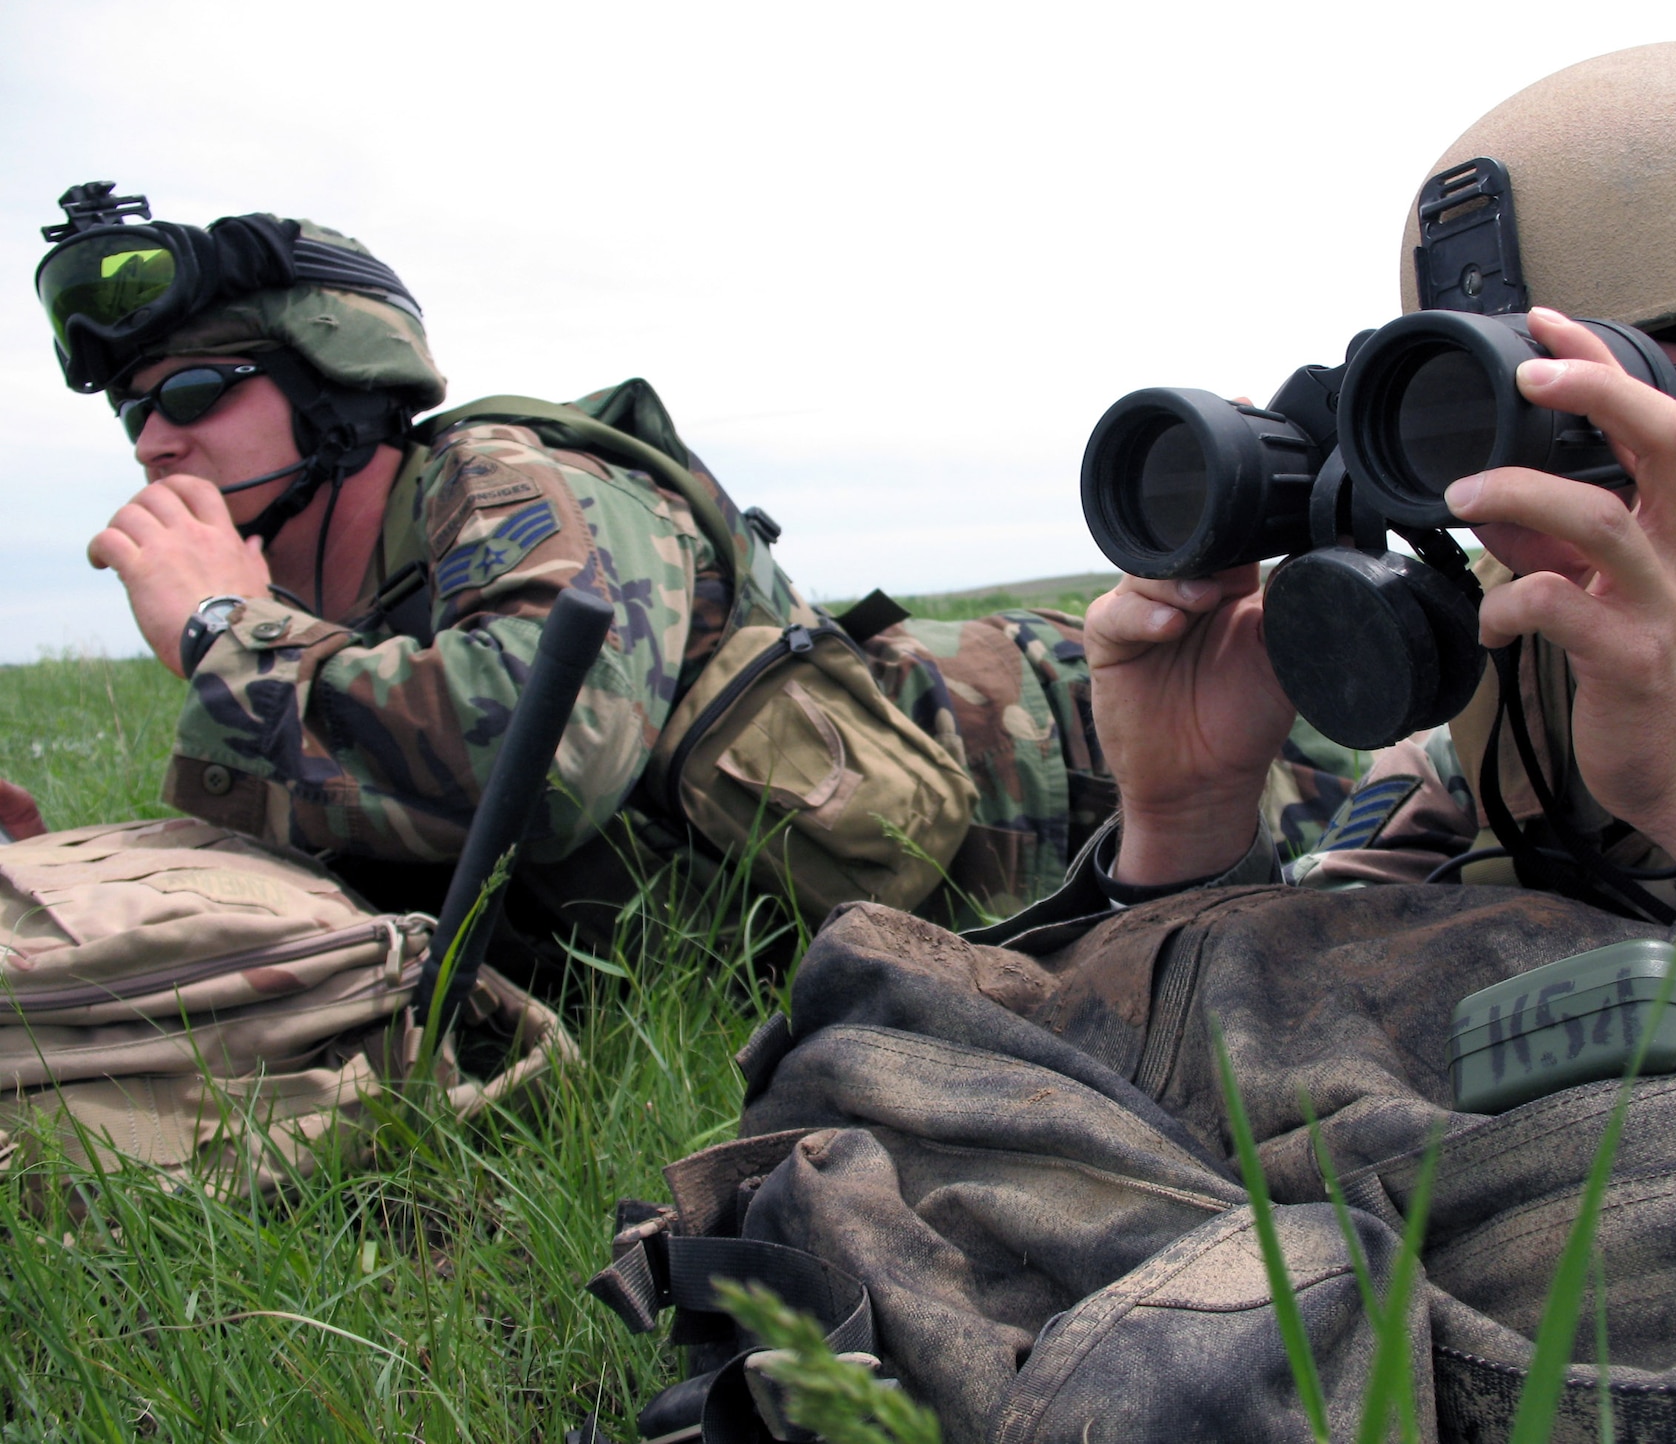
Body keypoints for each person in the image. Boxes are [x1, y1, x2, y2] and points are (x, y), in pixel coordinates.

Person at [28, 185, 1353, 982]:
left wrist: (218, 627)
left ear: (331, 380)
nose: (155, 441)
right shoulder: (343, 623)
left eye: (197, 391)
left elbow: (540, 754)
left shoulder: (503, 477)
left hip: (1127, 751)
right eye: (134, 412)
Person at [981, 40, 1676, 1037]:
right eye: (1473, 424)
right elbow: (1281, 1019)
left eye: (1595, 413)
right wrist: (1183, 820)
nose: (1520, 506)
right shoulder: (1518, 683)